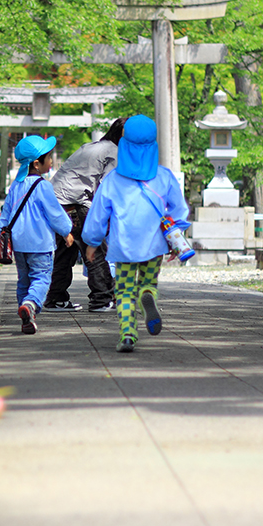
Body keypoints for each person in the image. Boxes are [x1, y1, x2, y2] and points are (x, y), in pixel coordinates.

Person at [82, 115, 190, 353]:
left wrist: (92, 242)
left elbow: (98, 215)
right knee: (148, 282)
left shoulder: (113, 180)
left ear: (124, 145)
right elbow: (179, 211)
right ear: (154, 145)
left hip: (123, 247)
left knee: (124, 291)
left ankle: (128, 334)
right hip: (155, 245)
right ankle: (148, 294)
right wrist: (177, 235)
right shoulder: (164, 176)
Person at [42, 117, 125, 313]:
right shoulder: (115, 151)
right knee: (95, 249)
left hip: (57, 201)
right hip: (76, 202)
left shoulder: (91, 146)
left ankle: (56, 298)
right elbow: (108, 187)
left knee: (66, 250)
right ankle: (101, 299)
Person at [0, 135, 75, 335]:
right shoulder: (43, 186)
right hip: (40, 244)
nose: (51, 161)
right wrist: (67, 231)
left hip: (18, 244)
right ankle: (31, 305)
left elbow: (5, 215)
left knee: (24, 280)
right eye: (48, 158)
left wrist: (1, 236)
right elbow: (55, 213)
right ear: (37, 163)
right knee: (41, 278)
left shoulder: (15, 186)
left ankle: (25, 313)